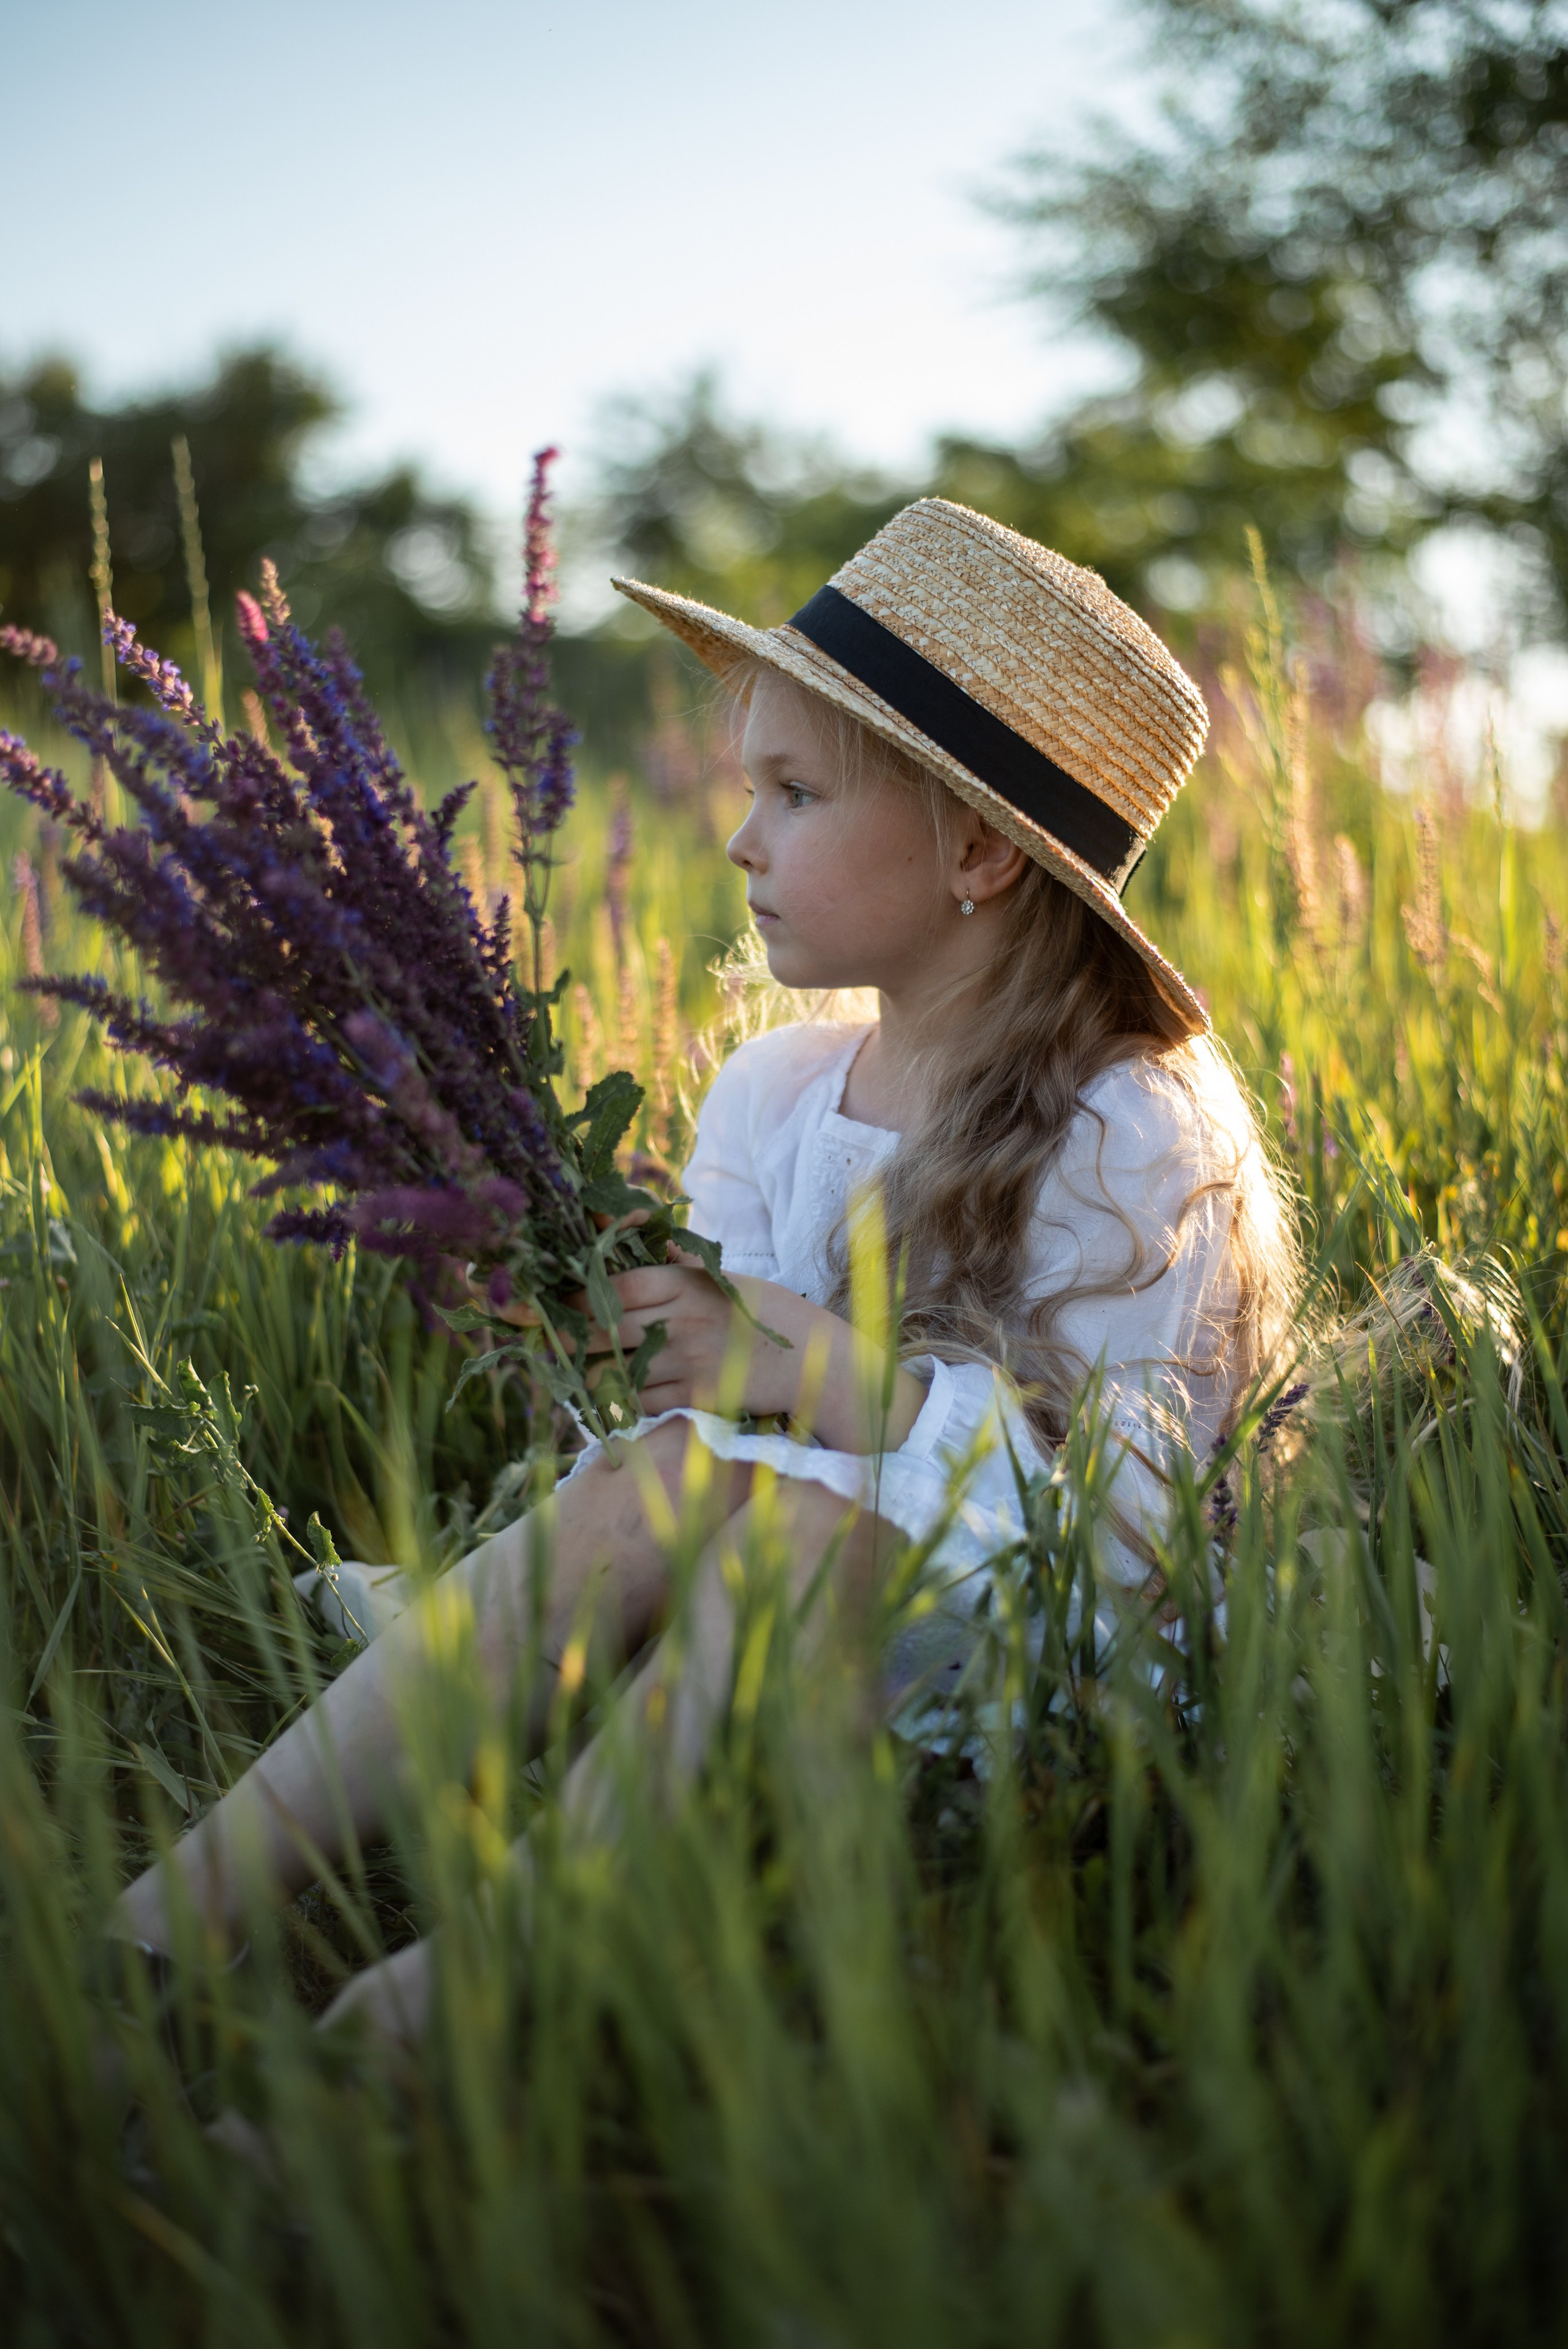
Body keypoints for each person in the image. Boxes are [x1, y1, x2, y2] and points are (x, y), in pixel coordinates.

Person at [111, 497, 1300, 2040]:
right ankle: (147, 1941)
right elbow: (698, 1442)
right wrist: (617, 1339)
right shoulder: (775, 1094)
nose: (739, 837)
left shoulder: (1126, 1129)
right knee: (668, 1483)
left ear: (982, 847)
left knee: (785, 1537)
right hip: (767, 1627)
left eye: (795, 792)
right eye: (752, 788)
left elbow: (1122, 1539)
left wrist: (830, 1381)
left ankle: (432, 2031)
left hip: (1051, 1681)